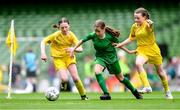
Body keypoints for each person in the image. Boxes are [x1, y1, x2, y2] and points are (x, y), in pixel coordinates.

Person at [71, 19, 143, 100]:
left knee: (121, 78)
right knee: (97, 71)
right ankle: (106, 94)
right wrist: (73, 49)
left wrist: (129, 51)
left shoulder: (110, 36)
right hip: (100, 58)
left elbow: (120, 45)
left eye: (98, 31)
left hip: (112, 59)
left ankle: (135, 92)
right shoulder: (93, 35)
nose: (97, 33)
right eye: (95, 31)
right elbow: (81, 40)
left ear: (104, 29)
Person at [114, 7, 173, 99]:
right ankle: (147, 87)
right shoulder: (134, 26)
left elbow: (150, 28)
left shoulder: (148, 25)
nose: (136, 20)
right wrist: (120, 44)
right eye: (135, 18)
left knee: (160, 72)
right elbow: (131, 38)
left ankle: (167, 91)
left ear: (144, 17)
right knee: (138, 63)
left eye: (138, 18)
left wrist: (151, 24)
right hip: (141, 50)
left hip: (153, 49)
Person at [40, 17, 88, 100]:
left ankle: (83, 96)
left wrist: (73, 49)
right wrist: (43, 53)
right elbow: (43, 41)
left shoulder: (72, 35)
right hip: (58, 59)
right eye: (62, 27)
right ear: (59, 27)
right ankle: (63, 84)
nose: (64, 29)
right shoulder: (56, 35)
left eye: (66, 27)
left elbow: (81, 49)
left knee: (75, 78)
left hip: (69, 57)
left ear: (69, 26)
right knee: (64, 79)